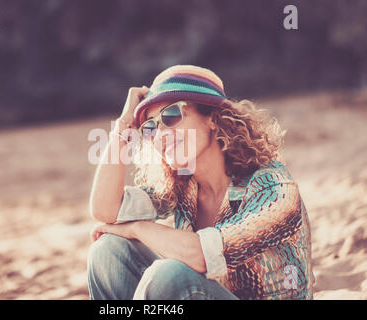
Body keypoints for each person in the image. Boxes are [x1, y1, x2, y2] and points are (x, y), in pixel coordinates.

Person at [87, 65, 315, 300]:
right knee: (107, 251)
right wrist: (124, 126)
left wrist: (136, 228)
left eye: (171, 116)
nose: (161, 134)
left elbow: (201, 256)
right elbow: (106, 210)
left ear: (213, 119)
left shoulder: (273, 187)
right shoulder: (184, 187)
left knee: (170, 275)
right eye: (150, 127)